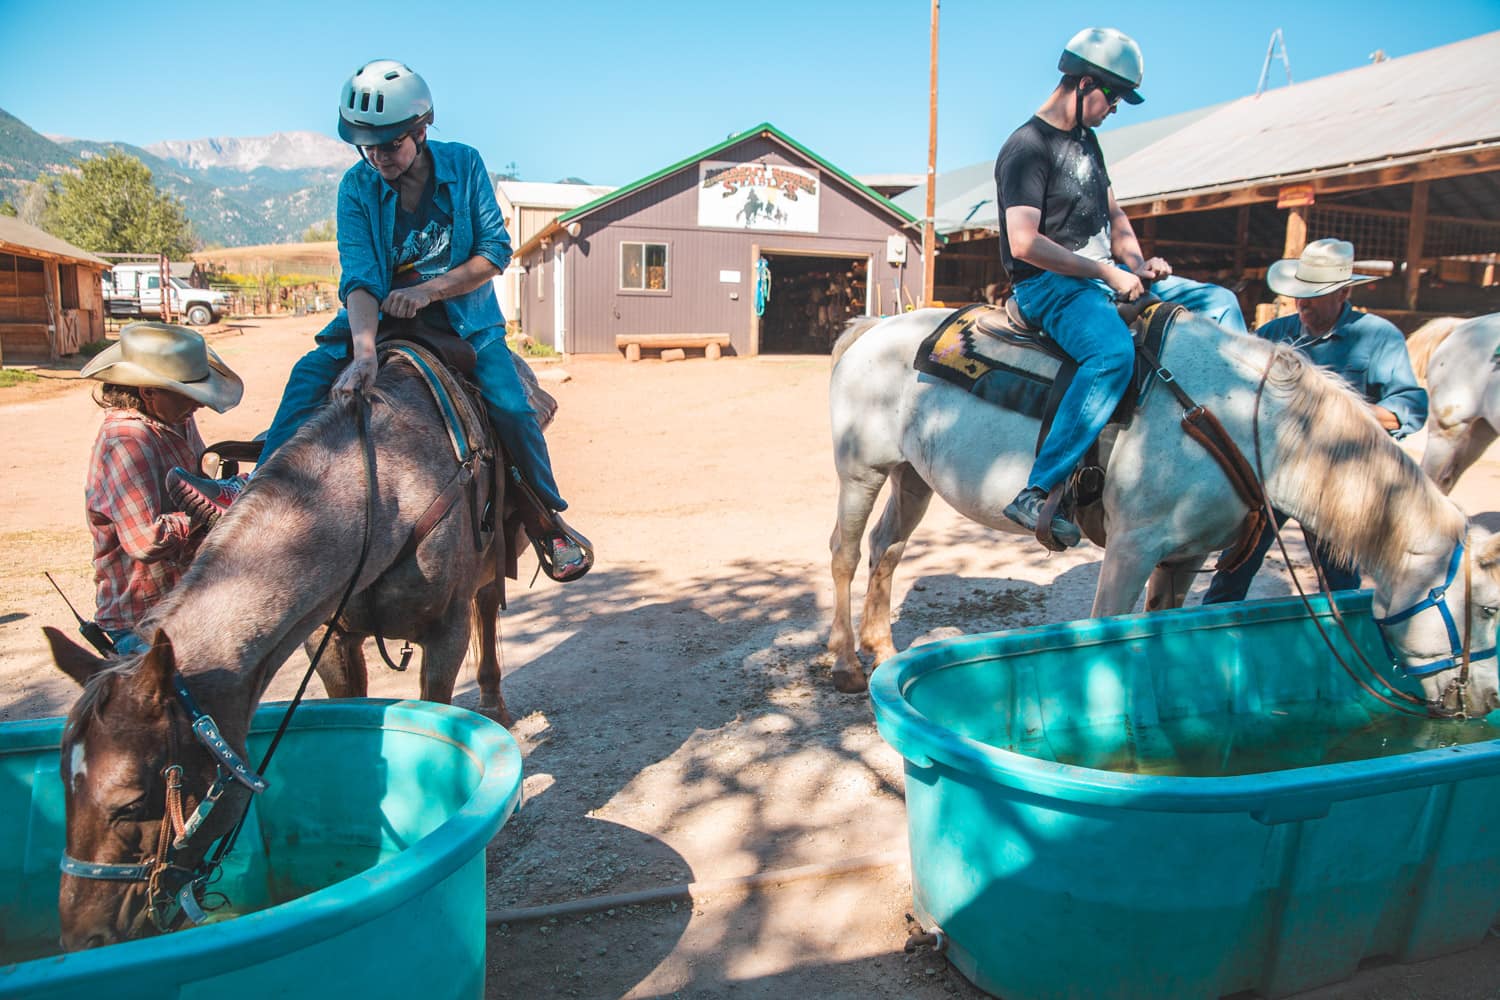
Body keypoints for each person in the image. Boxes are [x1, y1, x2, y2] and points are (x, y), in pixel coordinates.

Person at [169, 59, 591, 581]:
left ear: (421, 130)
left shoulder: (464, 165)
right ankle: (251, 491)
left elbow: (493, 251)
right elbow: (361, 277)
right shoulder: (356, 187)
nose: (378, 157)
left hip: (465, 320)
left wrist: (428, 290)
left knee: (511, 406)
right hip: (382, 319)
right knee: (308, 375)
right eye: (366, 146)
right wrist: (365, 352)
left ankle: (546, 518)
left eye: (390, 144)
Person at [994, 27, 1248, 549]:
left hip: (1102, 276)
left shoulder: (1087, 141)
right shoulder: (1026, 148)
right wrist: (1108, 273)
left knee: (1220, 302)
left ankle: (1234, 427)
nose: (1115, 109)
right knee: (1111, 354)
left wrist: (1138, 262)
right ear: (1085, 83)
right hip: (1049, 285)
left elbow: (1113, 215)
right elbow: (1024, 242)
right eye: (1113, 97)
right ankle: (1038, 490)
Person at [1202, 238, 1428, 603]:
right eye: (1299, 294)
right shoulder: (1275, 334)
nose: (1301, 303)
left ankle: (1340, 634)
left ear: (1343, 293)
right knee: (1234, 567)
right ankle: (1216, 628)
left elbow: (1408, 408)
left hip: (1334, 479)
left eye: (1314, 295)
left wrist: (1336, 410)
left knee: (1339, 578)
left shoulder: (1378, 337)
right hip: (1272, 473)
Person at [80, 322, 245, 655]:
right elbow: (145, 540)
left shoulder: (178, 418)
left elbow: (198, 480)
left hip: (185, 602)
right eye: (188, 394)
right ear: (148, 392)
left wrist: (222, 488)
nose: (199, 404)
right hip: (144, 621)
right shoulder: (127, 441)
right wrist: (206, 511)